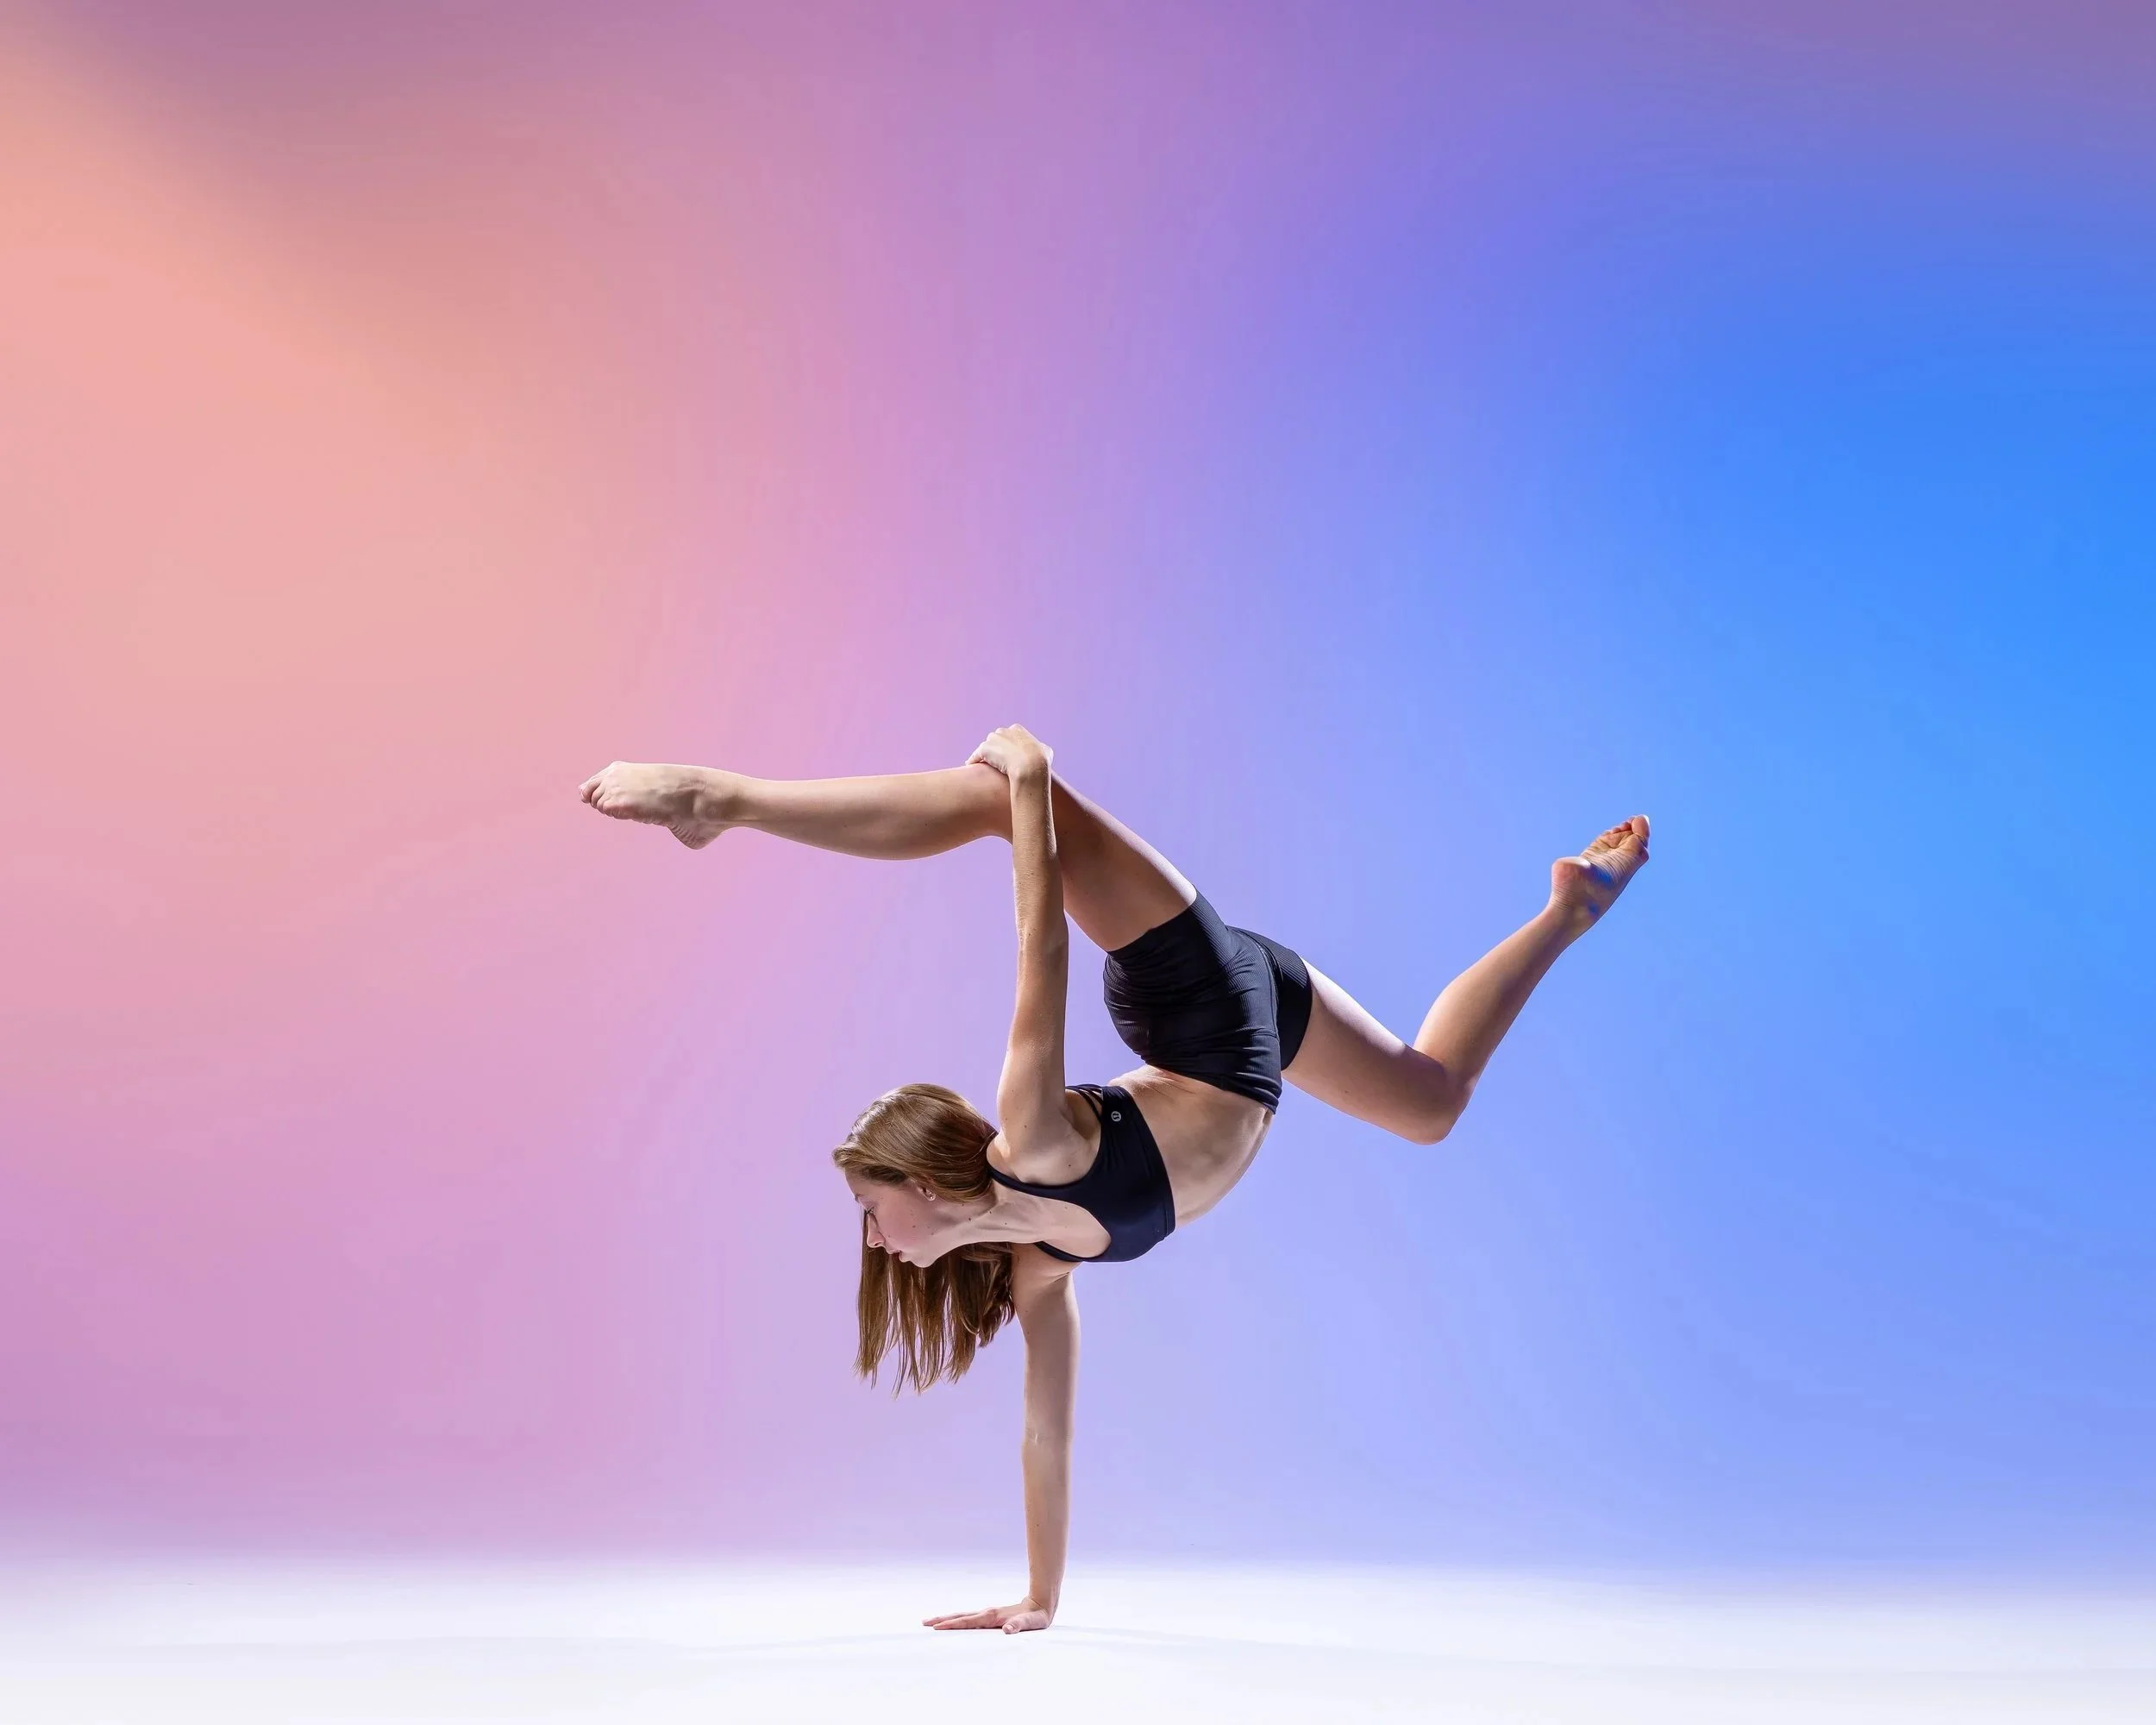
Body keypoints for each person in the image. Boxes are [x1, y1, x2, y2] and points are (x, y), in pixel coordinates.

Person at [579, 727, 1650, 1634]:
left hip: (1194, 993)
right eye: (865, 1209)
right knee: (1430, 1102)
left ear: (922, 1177)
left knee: (1000, 806)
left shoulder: (1031, 1140)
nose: (867, 1235)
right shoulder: (1039, 1263)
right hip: (1262, 1031)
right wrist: (1039, 1596)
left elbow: (1040, 950)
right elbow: (1046, 1430)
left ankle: (719, 798)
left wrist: (1032, 780)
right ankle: (1569, 908)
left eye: (867, 1209)